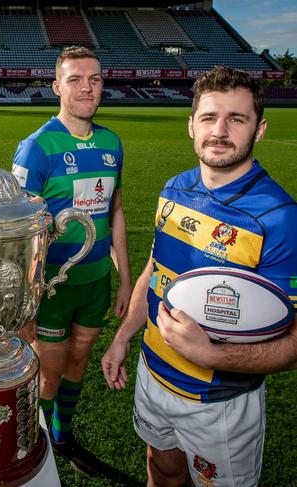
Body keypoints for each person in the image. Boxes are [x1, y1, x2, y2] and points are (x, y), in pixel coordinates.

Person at [102, 66, 297, 487]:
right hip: (152, 375)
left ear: (259, 130)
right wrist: (122, 339)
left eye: (237, 119)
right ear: (192, 125)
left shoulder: (278, 219)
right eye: (209, 118)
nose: (220, 131)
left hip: (220, 401)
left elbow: (295, 342)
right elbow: (155, 272)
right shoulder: (174, 189)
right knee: (161, 469)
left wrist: (211, 356)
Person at [12, 46, 132, 474]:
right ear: (57, 86)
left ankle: (61, 437)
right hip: (51, 288)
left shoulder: (111, 143)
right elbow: (19, 232)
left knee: (79, 361)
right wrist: (24, 301)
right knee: (47, 373)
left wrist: (124, 281)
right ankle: (33, 443)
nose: (87, 87)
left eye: (95, 79)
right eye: (76, 79)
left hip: (97, 281)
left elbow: (114, 211)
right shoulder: (36, 148)